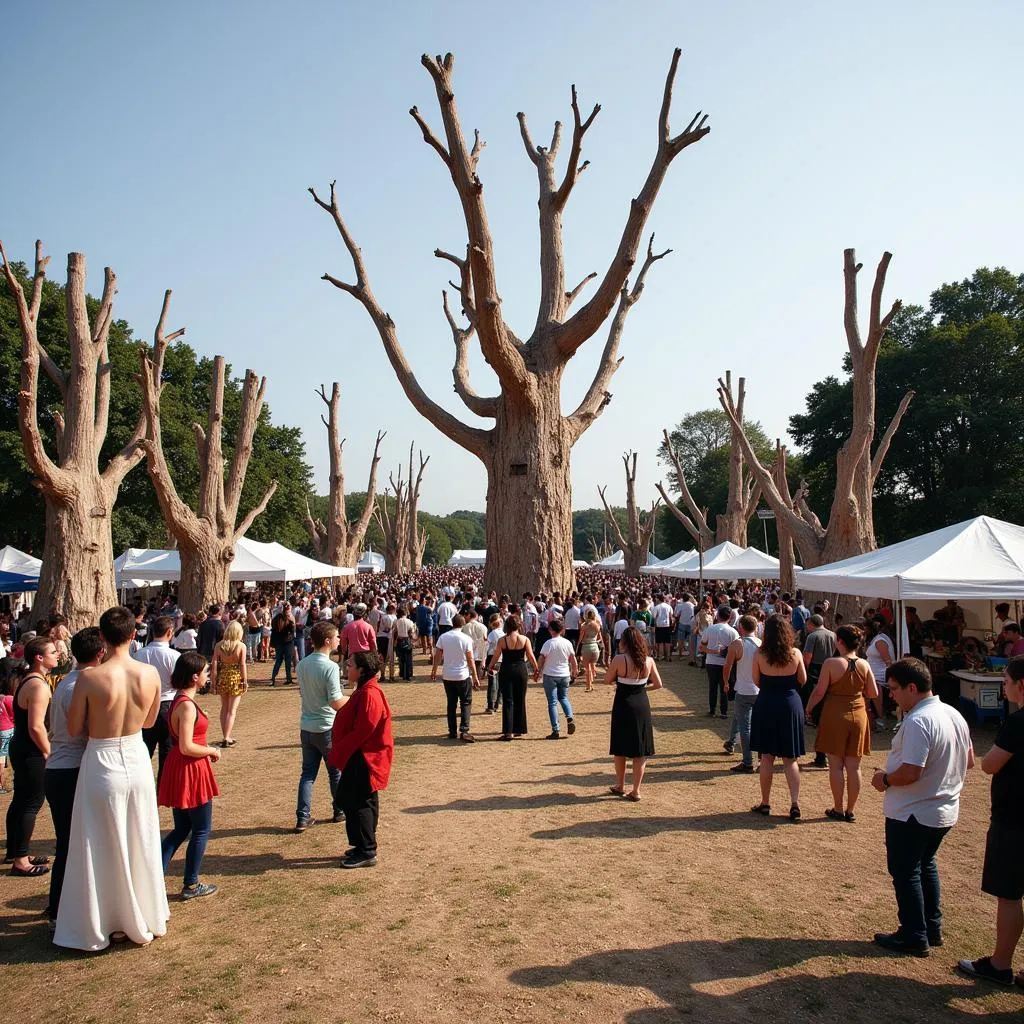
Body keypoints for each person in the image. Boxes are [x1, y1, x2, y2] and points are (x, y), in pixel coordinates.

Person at [54, 605, 168, 951]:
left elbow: (74, 729)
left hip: (102, 757)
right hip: (135, 755)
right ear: (134, 634)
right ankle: (140, 913)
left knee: (99, 839)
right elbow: (149, 722)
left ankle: (107, 917)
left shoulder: (89, 678)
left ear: (102, 638)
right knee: (138, 833)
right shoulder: (149, 674)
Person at [871, 657, 973, 956]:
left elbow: (911, 771)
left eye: (894, 689)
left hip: (914, 810)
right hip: (942, 809)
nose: (891, 696)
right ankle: (931, 925)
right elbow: (967, 760)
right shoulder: (953, 714)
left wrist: (885, 779)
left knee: (906, 871)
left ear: (911, 688)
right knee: (924, 865)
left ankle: (914, 933)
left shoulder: (919, 720)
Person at [956, 655, 1024, 986]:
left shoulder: (1019, 721)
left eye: (1007, 681)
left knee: (1009, 894)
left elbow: (990, 763)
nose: (1003, 686)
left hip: (1015, 819)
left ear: (1020, 685)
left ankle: (1000, 963)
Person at [44, 628, 102, 928]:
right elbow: (89, 731)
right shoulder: (82, 685)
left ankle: (62, 905)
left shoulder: (68, 681)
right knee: (71, 844)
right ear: (100, 653)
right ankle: (58, 910)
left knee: (70, 843)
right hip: (71, 769)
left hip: (60, 768)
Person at [158, 651, 221, 900]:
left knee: (182, 828)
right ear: (195, 676)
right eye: (205, 672)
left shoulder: (180, 700)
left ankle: (155, 875)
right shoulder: (185, 704)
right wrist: (211, 750)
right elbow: (186, 745)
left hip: (185, 767)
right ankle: (191, 884)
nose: (208, 676)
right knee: (201, 828)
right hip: (189, 768)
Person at [804, 625, 878, 822]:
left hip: (835, 714)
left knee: (836, 765)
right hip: (858, 715)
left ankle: (838, 807)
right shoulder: (864, 664)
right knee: (854, 767)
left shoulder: (831, 663)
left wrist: (809, 707)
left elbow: (819, 691)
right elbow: (873, 693)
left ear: (841, 642)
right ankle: (851, 809)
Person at [329, 650, 394, 868]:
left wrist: (341, 748)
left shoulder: (370, 693)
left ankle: (367, 850)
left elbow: (364, 729)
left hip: (365, 756)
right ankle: (360, 845)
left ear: (362, 670)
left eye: (351, 665)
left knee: (360, 802)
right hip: (359, 755)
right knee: (352, 799)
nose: (347, 668)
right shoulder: (365, 690)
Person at [4, 636, 57, 876]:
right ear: (39, 657)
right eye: (53, 652)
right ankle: (21, 860)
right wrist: (47, 751)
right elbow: (36, 726)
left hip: (23, 747)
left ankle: (15, 851)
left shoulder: (31, 680)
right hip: (31, 750)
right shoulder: (37, 685)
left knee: (21, 800)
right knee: (31, 803)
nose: (57, 655)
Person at [749, 614, 807, 821]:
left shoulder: (759, 654)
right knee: (790, 758)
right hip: (790, 703)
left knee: (767, 756)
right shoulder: (796, 653)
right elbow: (803, 679)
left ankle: (765, 802)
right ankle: (794, 803)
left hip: (766, 703)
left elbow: (756, 680)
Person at [295, 621, 347, 833]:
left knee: (308, 774)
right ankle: (340, 809)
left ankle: (302, 816)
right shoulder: (330, 667)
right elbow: (335, 701)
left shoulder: (302, 664)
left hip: (307, 726)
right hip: (326, 726)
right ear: (327, 641)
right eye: (336, 637)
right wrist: (355, 699)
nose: (339, 640)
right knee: (335, 771)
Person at [605, 626, 663, 801]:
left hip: (623, 702)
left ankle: (620, 784)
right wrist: (643, 687)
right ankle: (636, 790)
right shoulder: (649, 660)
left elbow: (607, 680)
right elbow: (659, 684)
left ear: (625, 642)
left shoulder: (619, 659)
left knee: (620, 746)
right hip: (641, 702)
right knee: (640, 749)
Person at [133, 615, 180, 782]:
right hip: (166, 704)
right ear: (169, 632)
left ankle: (142, 783)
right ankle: (163, 787)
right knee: (166, 749)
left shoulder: (139, 655)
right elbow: (178, 682)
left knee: (144, 749)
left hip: (144, 705)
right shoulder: (173, 656)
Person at [486, 615, 538, 742]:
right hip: (521, 670)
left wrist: (490, 667)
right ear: (519, 625)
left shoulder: (502, 640)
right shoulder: (525, 639)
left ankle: (508, 731)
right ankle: (519, 728)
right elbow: (531, 656)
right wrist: (536, 669)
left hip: (507, 669)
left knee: (508, 700)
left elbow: (496, 655)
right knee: (520, 699)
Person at [722, 615, 761, 773]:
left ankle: (747, 761)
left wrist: (726, 682)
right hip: (759, 690)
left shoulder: (738, 644)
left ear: (741, 628)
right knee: (752, 724)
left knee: (746, 727)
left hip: (744, 690)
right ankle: (759, 758)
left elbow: (727, 666)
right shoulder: (761, 644)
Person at [432, 614, 481, 742]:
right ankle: (464, 730)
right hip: (463, 674)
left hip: (448, 675)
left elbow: (438, 655)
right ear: (463, 624)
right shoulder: (466, 639)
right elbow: (470, 658)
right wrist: (475, 676)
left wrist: (434, 670)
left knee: (451, 703)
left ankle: (452, 730)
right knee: (465, 702)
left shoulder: (443, 637)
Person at [535, 618, 578, 740]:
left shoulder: (548, 643)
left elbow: (542, 658)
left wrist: (538, 671)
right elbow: (572, 659)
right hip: (564, 674)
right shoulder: (567, 643)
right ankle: (569, 716)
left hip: (550, 675)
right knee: (563, 698)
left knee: (552, 702)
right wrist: (574, 671)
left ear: (551, 630)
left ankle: (556, 729)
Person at [210, 620, 247, 747]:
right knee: (232, 710)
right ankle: (226, 737)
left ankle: (225, 735)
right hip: (235, 677)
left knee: (224, 708)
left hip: (223, 677)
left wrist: (213, 682)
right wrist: (245, 681)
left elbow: (214, 664)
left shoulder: (219, 645)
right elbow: (242, 665)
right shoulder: (241, 646)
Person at [699, 606, 739, 719]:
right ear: (729, 617)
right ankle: (724, 711)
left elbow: (703, 643)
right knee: (724, 686)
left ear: (718, 616)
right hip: (725, 662)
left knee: (712, 686)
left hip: (711, 661)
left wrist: (709, 650)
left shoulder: (710, 629)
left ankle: (712, 710)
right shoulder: (733, 631)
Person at [865, 616, 896, 731]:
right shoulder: (875, 639)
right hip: (873, 674)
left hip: (880, 676)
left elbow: (888, 661)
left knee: (875, 694)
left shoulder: (880, 641)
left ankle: (880, 719)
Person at [0, 656, 19, 794]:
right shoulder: (9, 698)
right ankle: (1, 784)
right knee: (2, 760)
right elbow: (15, 716)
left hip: (3, 729)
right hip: (7, 730)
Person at [577, 608, 602, 692]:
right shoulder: (597, 625)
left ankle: (588, 686)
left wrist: (577, 648)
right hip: (595, 647)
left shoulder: (584, 626)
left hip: (586, 647)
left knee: (587, 668)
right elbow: (599, 637)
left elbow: (581, 639)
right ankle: (591, 682)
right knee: (592, 665)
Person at [269, 607, 296, 686]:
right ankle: (288, 679)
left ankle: (273, 679)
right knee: (287, 662)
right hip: (287, 642)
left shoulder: (276, 618)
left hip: (279, 643)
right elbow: (292, 630)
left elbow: (273, 630)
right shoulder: (288, 620)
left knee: (278, 661)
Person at [392, 605, 416, 681]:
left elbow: (394, 631)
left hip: (399, 640)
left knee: (401, 658)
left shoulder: (396, 621)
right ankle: (408, 674)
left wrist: (394, 642)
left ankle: (402, 673)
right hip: (407, 640)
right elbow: (411, 632)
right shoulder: (410, 621)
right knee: (408, 658)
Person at [652, 593, 674, 661]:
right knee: (667, 642)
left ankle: (660, 656)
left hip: (659, 626)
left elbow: (654, 617)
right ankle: (668, 656)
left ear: (658, 599)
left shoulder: (657, 607)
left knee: (660, 642)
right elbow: (671, 616)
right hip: (667, 625)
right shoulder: (668, 606)